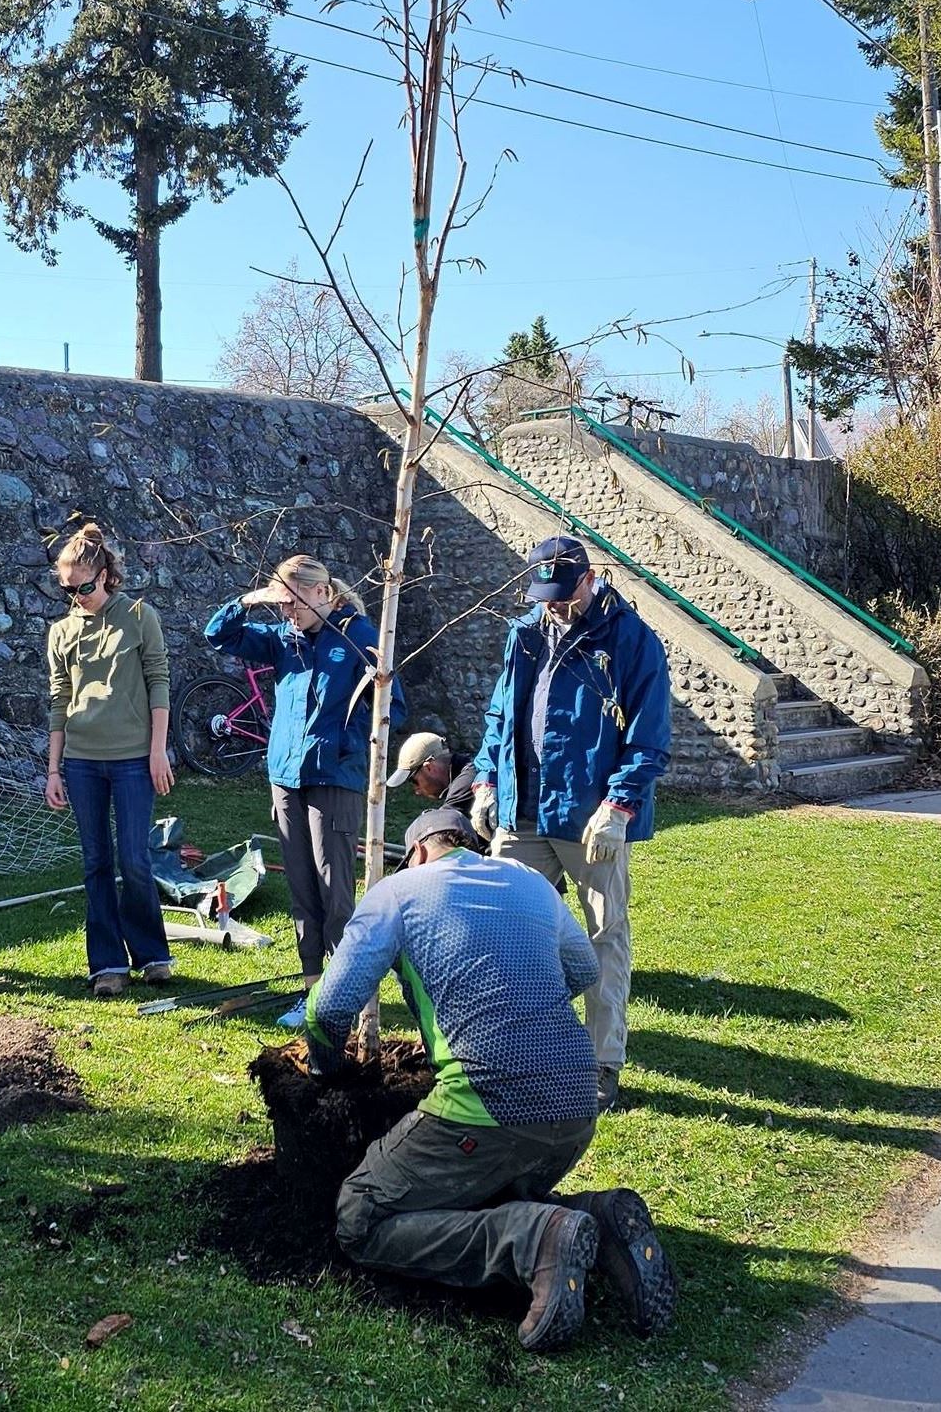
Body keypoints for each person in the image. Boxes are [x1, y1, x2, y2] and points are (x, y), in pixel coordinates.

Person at [305, 808, 676, 1353]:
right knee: (481, 1187)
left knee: (362, 1216)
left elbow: (331, 1008)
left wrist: (325, 1067)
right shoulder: (529, 881)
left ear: (419, 852)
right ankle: (593, 1218)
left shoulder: (398, 892)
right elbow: (583, 969)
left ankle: (533, 1240)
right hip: (577, 1103)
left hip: (485, 1108)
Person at [469, 536, 671, 1113]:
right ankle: (512, 1052)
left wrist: (619, 806)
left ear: (589, 578)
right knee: (506, 934)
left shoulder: (632, 640)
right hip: (524, 810)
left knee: (605, 937)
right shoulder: (524, 634)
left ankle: (602, 1064)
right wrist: (486, 778)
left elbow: (649, 736)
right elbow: (500, 715)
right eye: (545, 595)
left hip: (590, 816)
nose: (554, 605)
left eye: (564, 594)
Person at [205, 554, 406, 1028]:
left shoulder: (358, 636)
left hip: (334, 779)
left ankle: (344, 997)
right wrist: (250, 600)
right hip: (286, 778)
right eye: (281, 603)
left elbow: (392, 707)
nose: (287, 611)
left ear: (322, 593)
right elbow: (220, 635)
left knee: (335, 893)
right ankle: (312, 991)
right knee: (301, 890)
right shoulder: (284, 638)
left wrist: (345, 739)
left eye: (294, 601)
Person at [45, 523, 175, 998]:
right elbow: (59, 700)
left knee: (134, 858)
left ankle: (153, 954)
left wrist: (157, 750)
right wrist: (54, 769)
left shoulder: (140, 616)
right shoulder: (61, 632)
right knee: (95, 861)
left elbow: (159, 682)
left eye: (83, 587)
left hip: (133, 758)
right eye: (67, 590)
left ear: (105, 576)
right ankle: (107, 964)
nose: (77, 597)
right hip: (81, 761)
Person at [385, 730, 477, 814]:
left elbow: (447, 820)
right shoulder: (462, 772)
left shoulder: (468, 781)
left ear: (429, 767)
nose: (417, 791)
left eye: (414, 781)